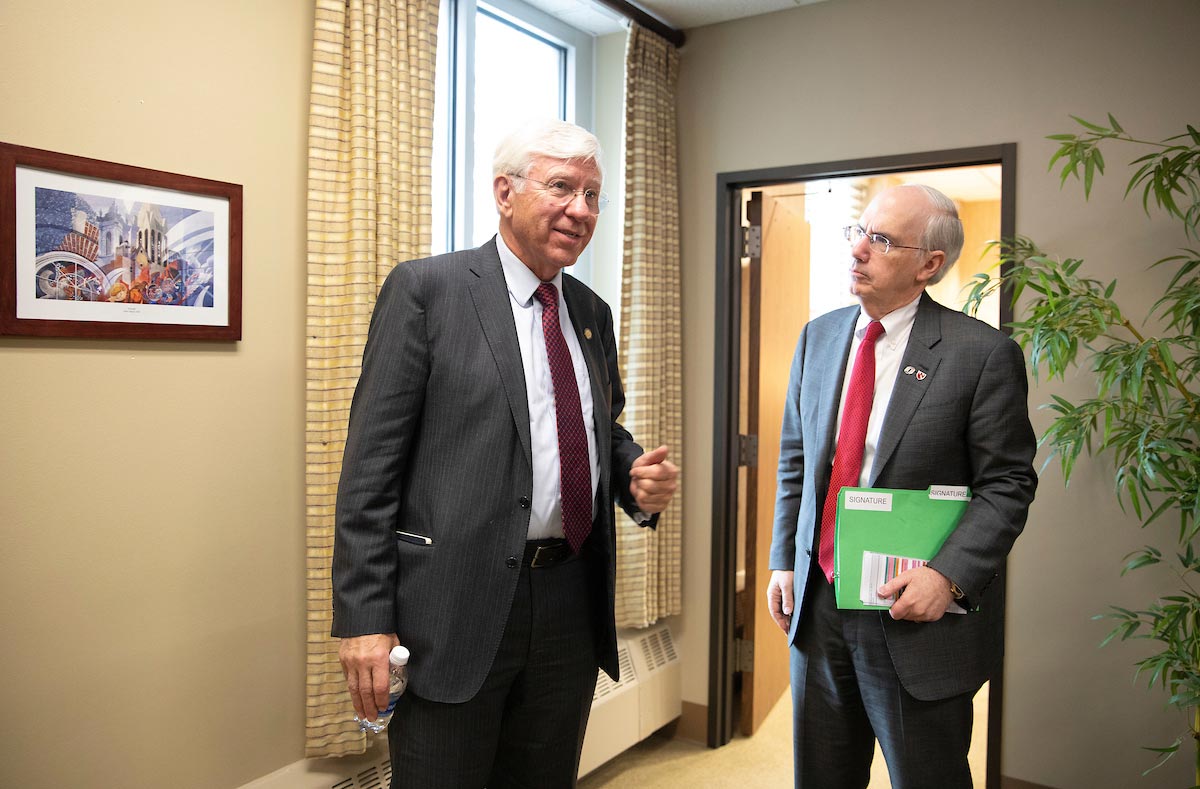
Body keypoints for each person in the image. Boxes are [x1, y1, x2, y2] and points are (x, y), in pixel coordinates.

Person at [332, 119, 678, 789]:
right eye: (561, 187)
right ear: (504, 192)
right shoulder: (427, 292)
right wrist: (365, 619)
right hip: (453, 608)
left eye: (594, 195)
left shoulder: (591, 312)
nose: (581, 210)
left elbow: (595, 429)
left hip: (568, 601)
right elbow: (369, 471)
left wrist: (633, 476)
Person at [765, 184, 1037, 787]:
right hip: (820, 604)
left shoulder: (982, 354)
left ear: (929, 265)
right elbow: (795, 459)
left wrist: (947, 575)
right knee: (823, 774)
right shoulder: (820, 336)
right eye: (859, 232)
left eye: (881, 240)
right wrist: (784, 559)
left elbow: (1008, 483)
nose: (858, 249)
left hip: (914, 612)